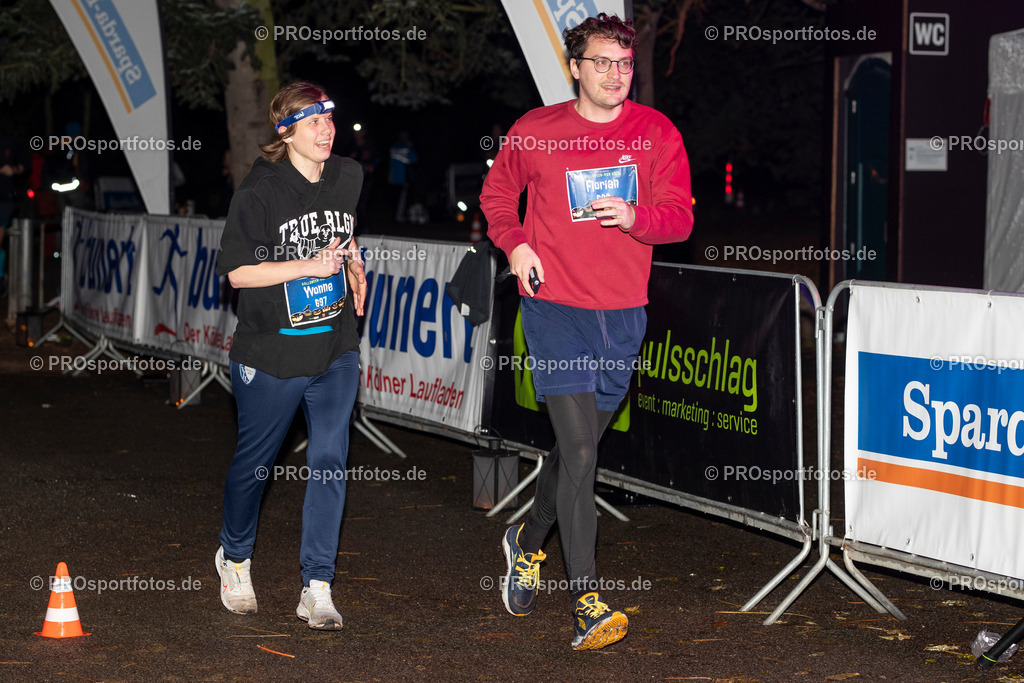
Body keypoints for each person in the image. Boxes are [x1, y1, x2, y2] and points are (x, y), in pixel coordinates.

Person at [480, 13, 693, 651]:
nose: (615, 74)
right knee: (579, 456)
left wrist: (636, 215)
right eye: (601, 62)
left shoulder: (656, 134)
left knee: (575, 455)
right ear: (575, 67)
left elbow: (679, 219)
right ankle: (587, 603)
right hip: (554, 308)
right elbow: (496, 199)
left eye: (624, 64)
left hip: (623, 315)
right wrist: (516, 247)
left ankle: (525, 539)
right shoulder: (537, 130)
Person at [213, 80, 366, 631]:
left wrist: (354, 267)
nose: (327, 129)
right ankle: (234, 558)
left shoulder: (348, 177)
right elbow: (237, 273)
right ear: (286, 132)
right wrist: (308, 267)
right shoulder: (259, 192)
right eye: (313, 121)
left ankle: (317, 584)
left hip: (334, 347)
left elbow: (343, 241)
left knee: (329, 459)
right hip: (271, 352)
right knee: (255, 466)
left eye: (330, 118)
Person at [388, 130, 417, 222]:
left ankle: (394, 216)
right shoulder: (405, 147)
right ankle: (399, 217)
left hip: (394, 178)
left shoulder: (393, 146)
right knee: (401, 198)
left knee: (394, 198)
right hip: (402, 178)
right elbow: (414, 159)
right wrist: (410, 147)